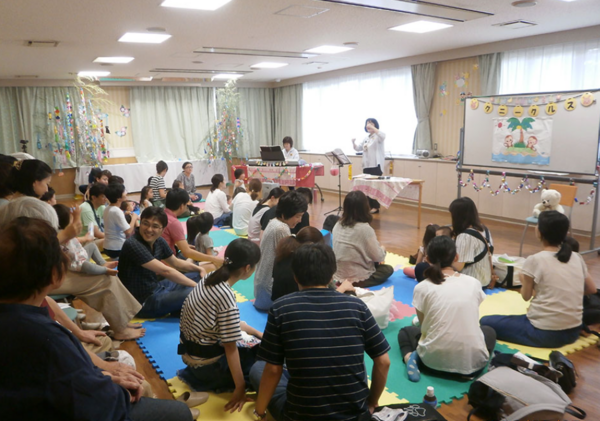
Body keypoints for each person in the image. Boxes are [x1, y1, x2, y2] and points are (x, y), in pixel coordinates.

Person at [0, 217, 193, 421]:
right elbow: (99, 404)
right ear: (56, 276)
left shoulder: (28, 321)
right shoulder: (46, 340)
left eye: (156, 226)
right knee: (178, 413)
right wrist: (114, 387)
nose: (150, 229)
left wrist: (103, 371)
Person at [250, 243, 391, 421]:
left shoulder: (281, 308)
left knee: (259, 368)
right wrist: (371, 402)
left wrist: (260, 413)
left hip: (300, 416)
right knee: (353, 358)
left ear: (295, 276)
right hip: (355, 415)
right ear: (332, 275)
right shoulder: (357, 306)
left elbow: (272, 371)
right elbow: (383, 361)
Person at [0, 197, 145, 341]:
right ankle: (120, 328)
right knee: (104, 279)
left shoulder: (17, 229)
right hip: (39, 276)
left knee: (106, 275)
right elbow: (43, 254)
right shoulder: (25, 240)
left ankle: (123, 322)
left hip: (43, 273)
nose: (52, 199)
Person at [481, 211, 597, 348]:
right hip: (574, 331)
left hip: (545, 334)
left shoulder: (535, 260)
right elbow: (591, 289)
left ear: (539, 232)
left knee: (486, 321)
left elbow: (526, 296)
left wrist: (523, 280)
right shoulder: (576, 257)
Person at [178, 239, 263, 413]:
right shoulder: (226, 296)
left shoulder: (211, 277)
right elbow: (231, 349)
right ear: (247, 268)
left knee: (251, 338)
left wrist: (254, 331)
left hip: (189, 356)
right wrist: (240, 389)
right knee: (263, 364)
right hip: (206, 368)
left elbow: (220, 322)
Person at [398, 236, 496, 383]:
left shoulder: (422, 287)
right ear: (456, 257)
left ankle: (410, 358)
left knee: (405, 332)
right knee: (489, 331)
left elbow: (425, 328)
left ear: (428, 259)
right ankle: (472, 364)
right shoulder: (473, 283)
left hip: (431, 363)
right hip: (473, 365)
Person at [118, 207, 208, 319]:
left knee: (199, 276)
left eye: (155, 226)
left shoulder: (159, 241)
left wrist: (199, 269)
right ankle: (186, 306)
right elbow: (166, 271)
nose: (149, 229)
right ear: (140, 223)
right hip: (142, 303)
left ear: (162, 229)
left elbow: (176, 263)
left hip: (158, 287)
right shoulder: (132, 244)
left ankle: (183, 307)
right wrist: (198, 288)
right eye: (145, 223)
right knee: (195, 291)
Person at [254, 191, 308, 311]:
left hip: (261, 289)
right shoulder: (281, 228)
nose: (300, 220)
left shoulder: (273, 222)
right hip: (270, 293)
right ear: (286, 214)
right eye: (298, 216)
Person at [332, 191, 393, 288]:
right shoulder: (365, 229)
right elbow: (378, 257)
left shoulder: (338, 224)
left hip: (337, 275)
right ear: (365, 207)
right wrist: (383, 249)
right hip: (357, 277)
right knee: (388, 269)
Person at [162, 189, 221, 270]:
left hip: (161, 261)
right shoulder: (173, 222)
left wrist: (184, 246)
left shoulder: (162, 215)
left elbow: (165, 240)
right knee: (214, 266)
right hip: (167, 266)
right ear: (182, 206)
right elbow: (187, 252)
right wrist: (214, 259)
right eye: (186, 205)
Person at [54, 204, 118, 276]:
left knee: (92, 246)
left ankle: (103, 263)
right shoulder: (61, 233)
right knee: (87, 266)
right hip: (76, 264)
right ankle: (104, 270)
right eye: (71, 218)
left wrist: (85, 238)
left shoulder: (66, 232)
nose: (73, 221)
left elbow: (74, 240)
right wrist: (77, 216)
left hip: (80, 255)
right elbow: (77, 228)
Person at [449, 197, 496, 288]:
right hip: (485, 278)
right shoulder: (484, 229)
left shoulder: (465, 236)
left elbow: (458, 266)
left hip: (471, 282)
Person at [271, 226, 324, 302]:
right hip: (291, 306)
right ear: (311, 245)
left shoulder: (282, 255)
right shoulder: (303, 265)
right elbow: (317, 297)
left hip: (276, 302)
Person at [351, 118, 385, 213]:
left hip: (376, 165)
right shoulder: (366, 138)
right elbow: (358, 148)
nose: (368, 125)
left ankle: (376, 207)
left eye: (371, 123)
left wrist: (374, 129)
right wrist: (353, 142)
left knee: (374, 186)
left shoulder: (378, 136)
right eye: (367, 123)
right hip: (367, 166)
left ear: (375, 125)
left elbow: (383, 136)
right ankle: (368, 206)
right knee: (366, 186)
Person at [103, 183, 139, 259]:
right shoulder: (117, 211)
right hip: (117, 248)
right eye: (124, 192)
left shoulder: (107, 208)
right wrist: (134, 218)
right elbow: (128, 231)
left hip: (107, 245)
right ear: (119, 199)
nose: (126, 193)